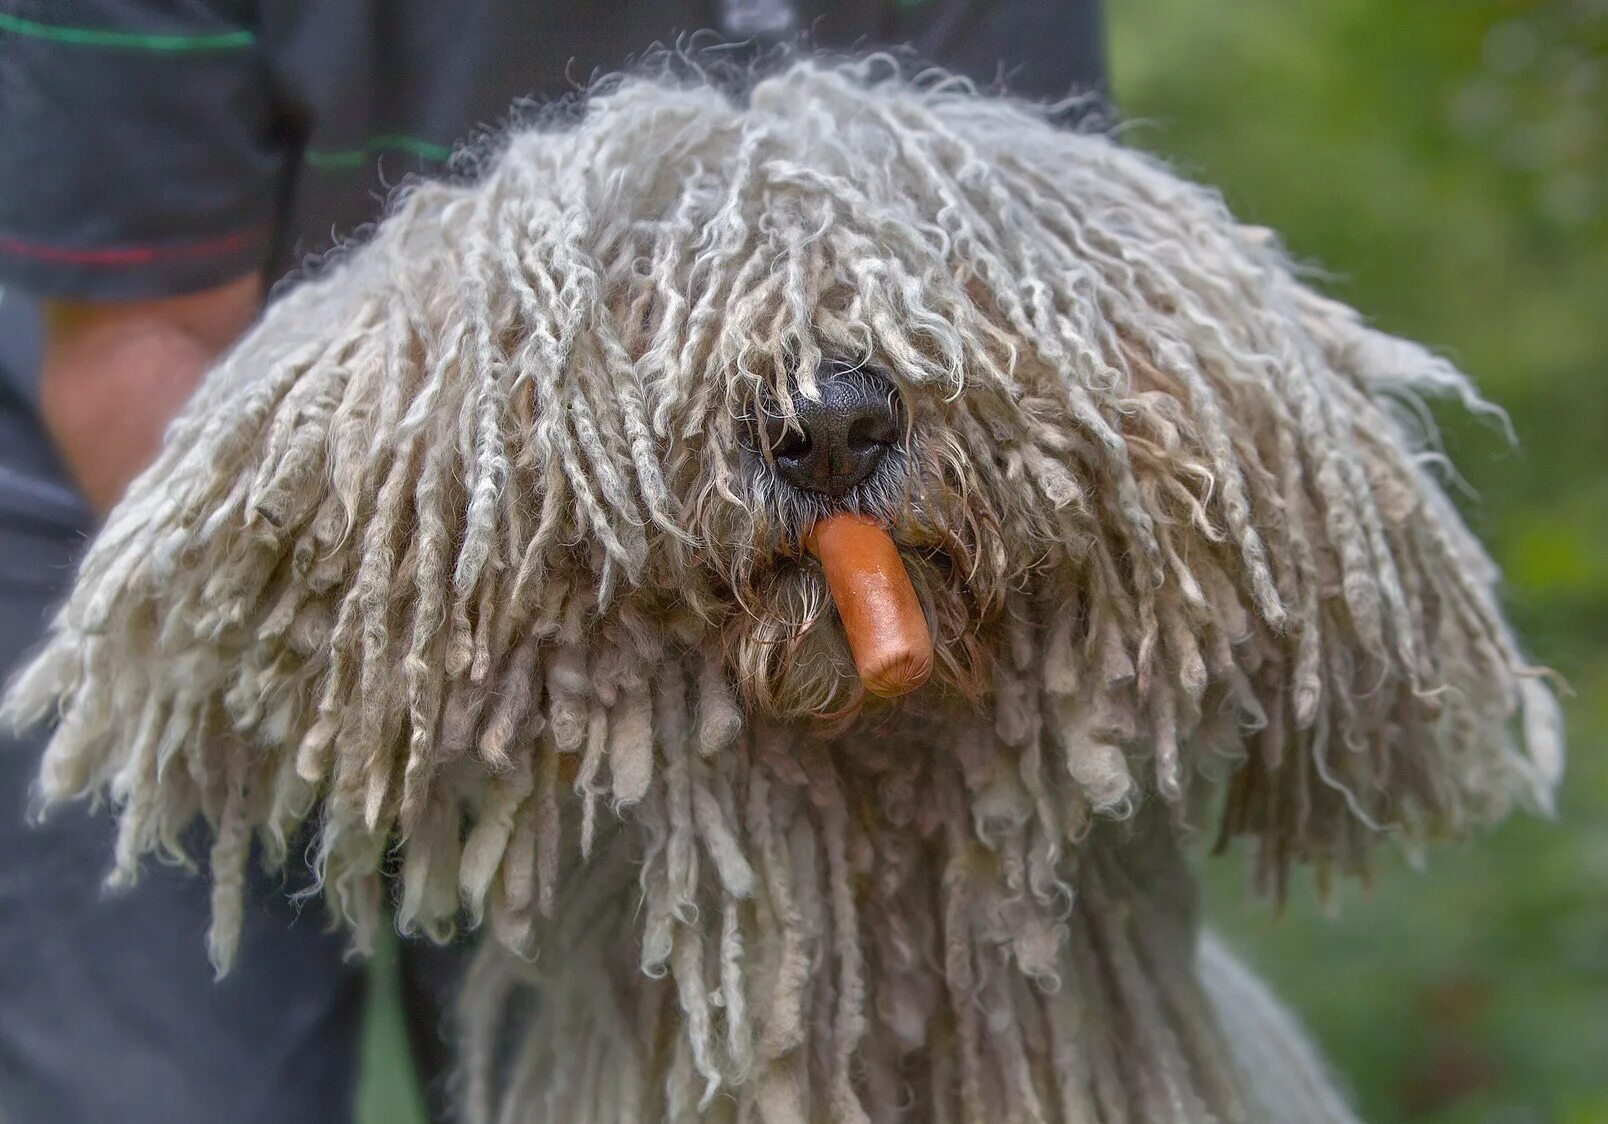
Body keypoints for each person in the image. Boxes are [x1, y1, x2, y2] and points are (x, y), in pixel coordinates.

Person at [0, 2, 1108, 1120]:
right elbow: (138, 347)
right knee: (161, 1088)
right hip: (160, 465)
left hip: (649, 582)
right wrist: (448, 667)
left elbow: (1023, 281)